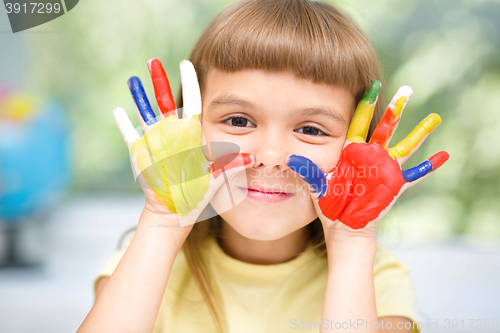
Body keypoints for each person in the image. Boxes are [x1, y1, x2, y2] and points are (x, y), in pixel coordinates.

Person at [77, 0, 448, 332]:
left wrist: (352, 243)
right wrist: (162, 222)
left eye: (310, 129)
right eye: (239, 121)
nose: (271, 156)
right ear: (186, 129)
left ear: (361, 147)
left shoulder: (378, 283)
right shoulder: (145, 263)